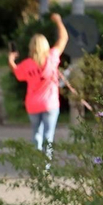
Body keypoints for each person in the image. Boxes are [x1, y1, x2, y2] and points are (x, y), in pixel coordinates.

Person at [11, 14, 69, 153]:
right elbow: (63, 38)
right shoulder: (52, 57)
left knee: (36, 134)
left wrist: (11, 60)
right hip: (50, 104)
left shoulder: (27, 64)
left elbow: (18, 74)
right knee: (48, 136)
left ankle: (36, 164)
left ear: (31, 47)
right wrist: (59, 22)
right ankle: (45, 168)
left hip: (33, 104)